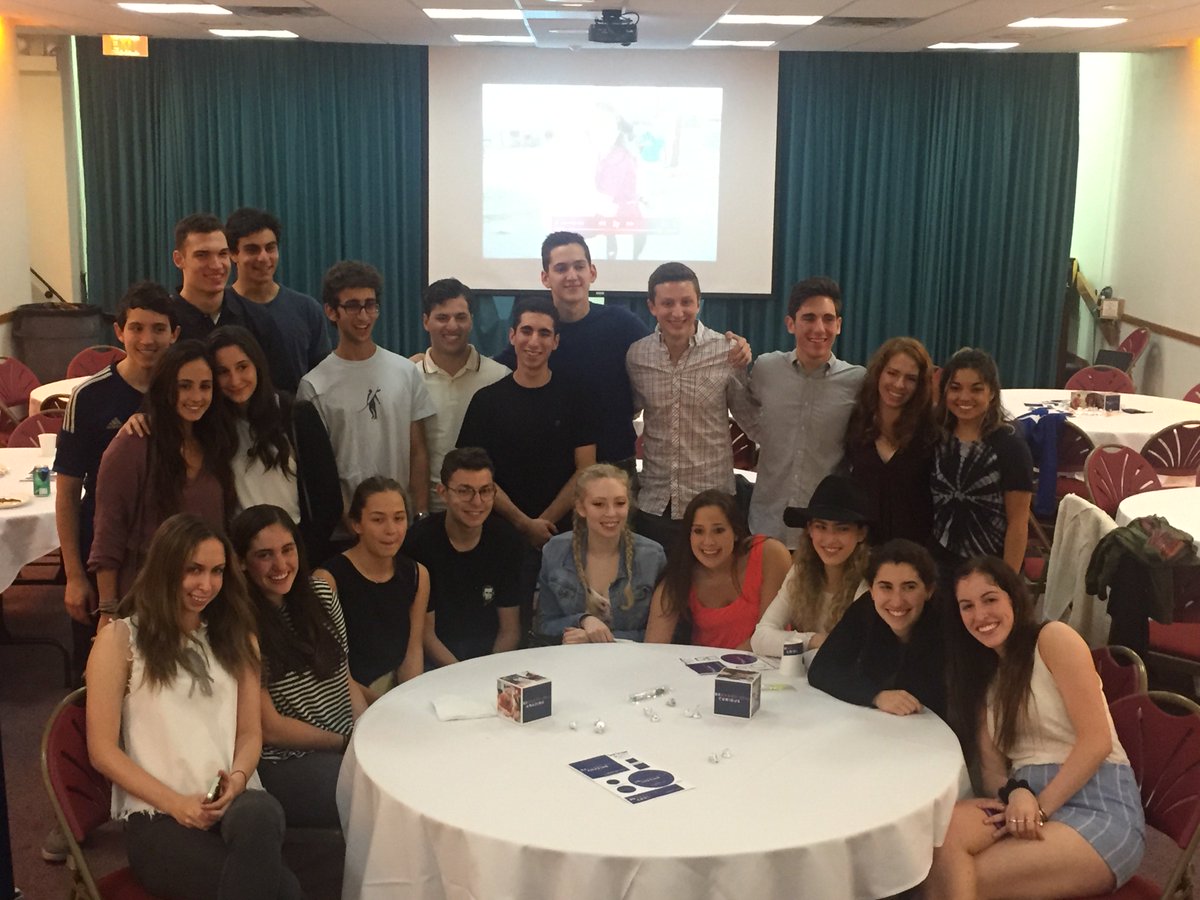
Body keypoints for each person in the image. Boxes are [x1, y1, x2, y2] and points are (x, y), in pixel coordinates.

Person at [85, 513, 301, 899]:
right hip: (159, 814)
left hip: (233, 802)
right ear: (165, 569)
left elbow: (249, 733)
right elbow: (101, 751)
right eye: (194, 570)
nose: (207, 585)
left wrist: (237, 780)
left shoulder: (238, 638)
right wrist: (177, 804)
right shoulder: (119, 640)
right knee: (283, 890)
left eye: (217, 571)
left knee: (262, 811)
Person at [925, 557, 1145, 898]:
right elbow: (992, 770)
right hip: (1025, 800)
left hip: (1099, 805)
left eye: (990, 599)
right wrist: (1017, 792)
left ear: (1013, 598)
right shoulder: (983, 677)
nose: (980, 615)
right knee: (935, 842)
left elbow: (1096, 742)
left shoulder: (1052, 639)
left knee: (960, 880)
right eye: (967, 606)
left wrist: (1040, 806)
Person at [53, 281, 179, 681]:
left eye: (158, 329)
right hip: (103, 549)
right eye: (137, 328)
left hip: (166, 548)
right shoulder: (89, 396)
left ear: (175, 334)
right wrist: (74, 575)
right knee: (100, 667)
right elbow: (67, 492)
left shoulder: (187, 392)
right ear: (119, 331)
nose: (148, 339)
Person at [457, 295, 598, 632]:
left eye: (544, 333)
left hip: (564, 537)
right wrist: (523, 523)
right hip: (500, 535)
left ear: (556, 341)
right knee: (508, 628)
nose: (534, 341)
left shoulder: (577, 397)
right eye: (527, 331)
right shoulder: (486, 401)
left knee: (564, 627)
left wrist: (543, 523)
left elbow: (586, 470)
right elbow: (474, 476)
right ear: (512, 336)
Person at [231, 505, 367, 829]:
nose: (280, 565)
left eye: (287, 550)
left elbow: (345, 679)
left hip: (345, 741)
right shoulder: (240, 624)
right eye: (265, 555)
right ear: (242, 562)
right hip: (288, 760)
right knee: (371, 793)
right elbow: (272, 728)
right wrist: (344, 743)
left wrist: (365, 731)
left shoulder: (322, 593)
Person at [90, 340, 235, 619]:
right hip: (148, 600)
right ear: (165, 387)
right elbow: (108, 533)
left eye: (205, 386)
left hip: (206, 598)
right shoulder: (133, 445)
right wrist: (108, 610)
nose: (196, 396)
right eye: (184, 386)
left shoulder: (215, 444)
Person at [626, 262, 755, 550]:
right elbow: (627, 412)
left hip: (713, 501)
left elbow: (750, 419)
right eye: (667, 303)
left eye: (686, 302)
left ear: (699, 303)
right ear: (652, 306)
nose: (677, 312)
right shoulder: (637, 356)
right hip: (655, 501)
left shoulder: (727, 352)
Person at [493, 231, 648, 469]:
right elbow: (494, 369)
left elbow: (661, 357)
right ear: (545, 278)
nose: (572, 276)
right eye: (561, 268)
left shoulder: (622, 323)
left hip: (617, 465)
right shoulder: (538, 334)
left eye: (579, 266)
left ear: (592, 272)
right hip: (557, 468)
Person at [298, 260, 437, 524]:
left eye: (370, 305)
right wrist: (351, 524)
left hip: (401, 525)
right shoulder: (314, 386)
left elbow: (418, 450)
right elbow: (317, 470)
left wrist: (420, 513)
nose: (363, 316)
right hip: (347, 529)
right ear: (331, 311)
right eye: (352, 306)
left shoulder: (405, 372)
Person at [742, 277, 865, 548]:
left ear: (839, 325)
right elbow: (745, 411)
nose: (819, 328)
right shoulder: (766, 369)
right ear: (790, 323)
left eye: (828, 319)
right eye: (809, 318)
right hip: (767, 522)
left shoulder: (857, 382)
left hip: (826, 531)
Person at [208, 325, 341, 563]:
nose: (235, 380)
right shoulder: (209, 427)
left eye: (242, 367)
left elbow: (328, 499)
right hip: (240, 556)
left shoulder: (297, 415)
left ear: (257, 365)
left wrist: (303, 553)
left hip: (297, 552)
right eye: (223, 372)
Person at [403, 447, 523, 664]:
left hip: (492, 656)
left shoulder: (506, 540)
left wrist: (488, 671)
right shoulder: (418, 543)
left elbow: (510, 630)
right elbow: (425, 634)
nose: (477, 502)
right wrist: (462, 674)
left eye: (485, 491)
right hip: (436, 657)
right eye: (465, 491)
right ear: (443, 492)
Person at [314, 477, 428, 697]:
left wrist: (410, 699)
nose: (391, 530)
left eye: (399, 518)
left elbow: (413, 651)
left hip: (395, 691)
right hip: (347, 695)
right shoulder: (328, 580)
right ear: (356, 524)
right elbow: (333, 669)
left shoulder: (417, 574)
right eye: (378, 520)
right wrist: (384, 704)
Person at [807, 539, 945, 717]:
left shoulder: (946, 623)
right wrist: (876, 696)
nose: (897, 601)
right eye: (886, 587)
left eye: (909, 587)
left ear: (929, 590)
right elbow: (822, 669)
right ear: (871, 590)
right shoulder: (866, 609)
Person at [535, 464, 666, 644]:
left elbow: (664, 632)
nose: (611, 513)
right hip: (571, 658)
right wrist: (583, 620)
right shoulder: (555, 550)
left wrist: (600, 640)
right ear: (581, 508)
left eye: (620, 503)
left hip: (633, 658)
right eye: (598, 504)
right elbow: (544, 625)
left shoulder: (652, 556)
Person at [931, 348, 1034, 577]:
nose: (964, 397)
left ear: (992, 393)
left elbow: (1018, 523)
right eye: (955, 388)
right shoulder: (937, 436)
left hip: (990, 568)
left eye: (976, 389)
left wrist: (1007, 581)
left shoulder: (1010, 446)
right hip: (939, 565)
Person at [644, 489, 791, 649]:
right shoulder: (680, 575)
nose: (708, 541)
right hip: (706, 664)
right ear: (689, 535)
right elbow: (654, 646)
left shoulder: (769, 554)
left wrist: (732, 662)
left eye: (719, 530)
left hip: (769, 660)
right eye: (699, 531)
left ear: (736, 532)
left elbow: (769, 633)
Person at [750, 475, 871, 658]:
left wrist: (797, 645)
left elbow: (852, 652)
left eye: (842, 529)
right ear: (809, 530)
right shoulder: (801, 571)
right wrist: (813, 640)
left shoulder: (871, 580)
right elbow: (760, 638)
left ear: (861, 534)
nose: (830, 539)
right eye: (821, 527)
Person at [415, 278, 508, 512]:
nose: (452, 326)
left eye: (460, 317)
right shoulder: (410, 379)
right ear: (426, 321)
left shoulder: (499, 376)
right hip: (431, 510)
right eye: (442, 317)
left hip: (486, 509)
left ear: (471, 321)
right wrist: (421, 514)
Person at [167, 213, 285, 380]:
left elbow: (275, 386)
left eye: (222, 254)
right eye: (202, 255)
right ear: (179, 259)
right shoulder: (164, 322)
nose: (216, 265)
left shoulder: (258, 319)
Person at [844, 337, 939, 546]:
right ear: (879, 372)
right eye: (892, 373)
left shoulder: (931, 431)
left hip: (916, 553)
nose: (899, 384)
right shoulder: (856, 421)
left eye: (910, 378)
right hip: (863, 550)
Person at [225, 207, 331, 393]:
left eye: (270, 248)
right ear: (233, 254)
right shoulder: (220, 308)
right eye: (252, 249)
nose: (263, 257)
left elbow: (322, 379)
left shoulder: (307, 309)